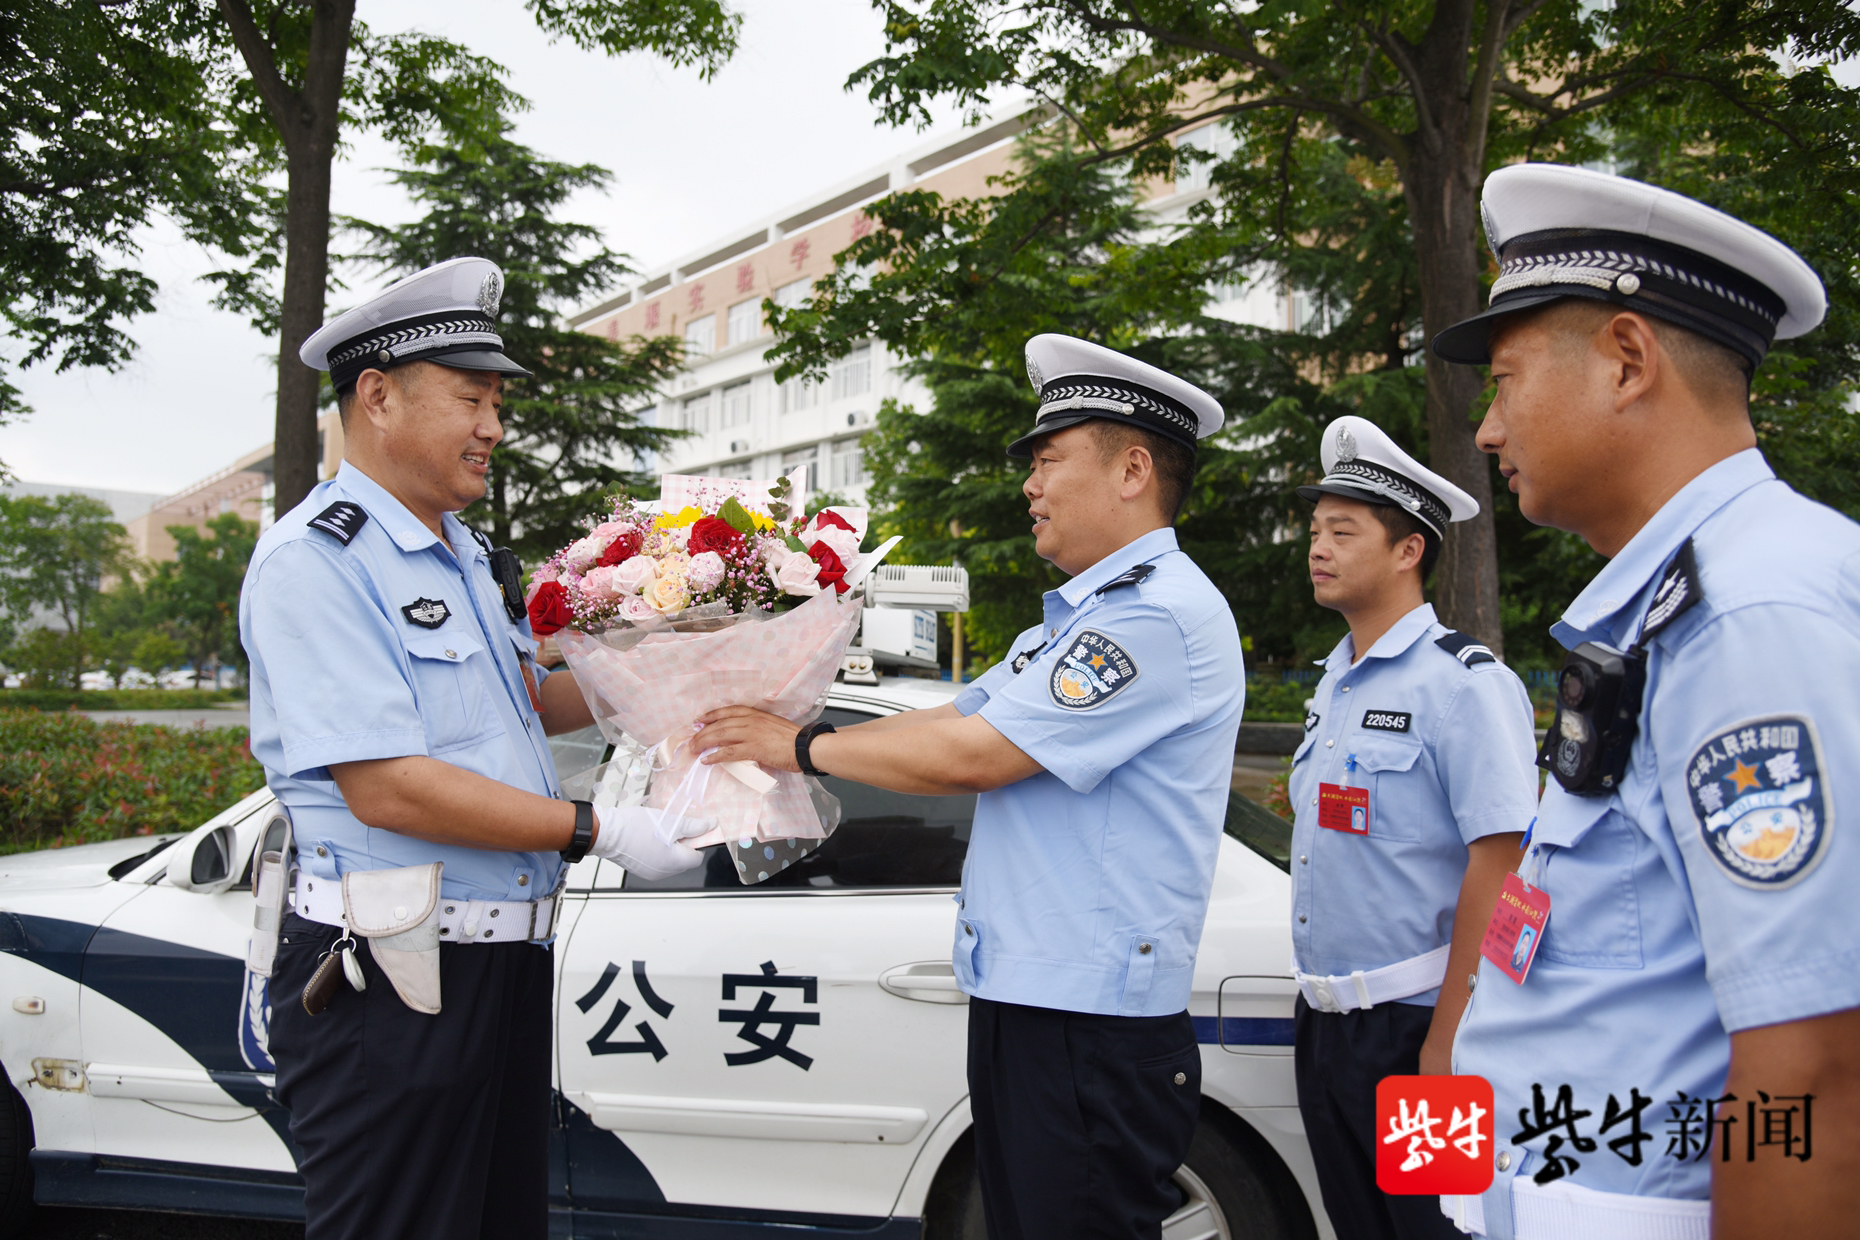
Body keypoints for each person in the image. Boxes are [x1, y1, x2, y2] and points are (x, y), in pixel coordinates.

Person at [693, 333, 1244, 1240]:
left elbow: (977, 756)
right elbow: (949, 724)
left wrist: (802, 746)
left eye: (1049, 459)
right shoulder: (1085, 618)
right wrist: (784, 705)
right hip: (1043, 1005)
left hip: (1088, 1020)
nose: (1030, 484)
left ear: (1133, 469)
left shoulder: (1153, 614)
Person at [1430, 164, 1859, 1238]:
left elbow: (1815, 1067)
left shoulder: (1749, 615)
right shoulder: (1672, 607)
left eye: (1509, 378)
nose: (1488, 430)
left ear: (1628, 360)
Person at [239, 257, 704, 1240]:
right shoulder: (315, 559)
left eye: (497, 402)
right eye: (471, 399)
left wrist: (675, 659)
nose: (495, 427)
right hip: (393, 975)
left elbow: (524, 704)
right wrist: (600, 828)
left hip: (498, 970)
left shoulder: (451, 550)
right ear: (378, 397)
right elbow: (389, 786)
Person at [1288, 416, 1539, 1240]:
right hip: (1325, 1027)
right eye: (1316, 530)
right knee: (1359, 1226)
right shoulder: (1336, 684)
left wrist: (1451, 1036)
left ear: (1409, 551)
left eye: (1343, 532)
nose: (1319, 547)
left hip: (1419, 1027)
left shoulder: (1464, 686)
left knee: (1438, 1232)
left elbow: (1504, 866)